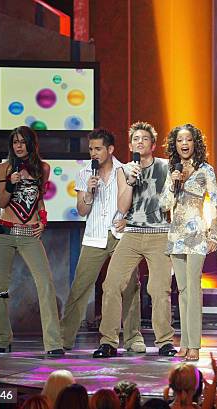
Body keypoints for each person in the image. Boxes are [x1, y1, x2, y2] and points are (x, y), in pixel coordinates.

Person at [93, 121, 176, 358]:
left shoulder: (166, 167)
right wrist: (130, 181)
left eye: (145, 139)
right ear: (130, 145)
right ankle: (108, 341)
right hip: (132, 233)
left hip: (159, 233)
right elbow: (122, 206)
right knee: (111, 284)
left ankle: (165, 342)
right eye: (136, 139)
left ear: (153, 143)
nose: (140, 142)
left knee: (159, 289)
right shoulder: (124, 170)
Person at [60, 128, 143, 352]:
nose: (93, 153)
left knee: (130, 287)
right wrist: (88, 191)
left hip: (121, 237)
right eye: (91, 149)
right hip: (94, 236)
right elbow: (81, 210)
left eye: (98, 149)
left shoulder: (125, 170)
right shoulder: (85, 172)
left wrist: (128, 221)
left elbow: (136, 206)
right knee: (80, 287)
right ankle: (64, 338)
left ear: (110, 149)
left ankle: (133, 338)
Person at [0, 126, 64, 355]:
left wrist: (43, 220)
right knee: (0, 289)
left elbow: (39, 199)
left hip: (29, 234)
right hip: (4, 232)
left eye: (23, 142)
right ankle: (3, 339)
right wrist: (11, 183)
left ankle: (53, 344)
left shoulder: (43, 168)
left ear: (31, 144)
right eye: (15, 142)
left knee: (45, 284)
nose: (19, 146)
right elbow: (2, 203)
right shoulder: (3, 167)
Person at [162, 123, 217, 362]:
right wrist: (173, 183)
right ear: (174, 145)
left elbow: (215, 204)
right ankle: (184, 342)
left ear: (195, 143)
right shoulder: (171, 170)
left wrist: (214, 235)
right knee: (183, 290)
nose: (183, 144)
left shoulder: (205, 170)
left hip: (197, 234)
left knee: (194, 289)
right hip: (176, 235)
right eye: (179, 141)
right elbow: (165, 204)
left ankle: (194, 343)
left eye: (187, 140)